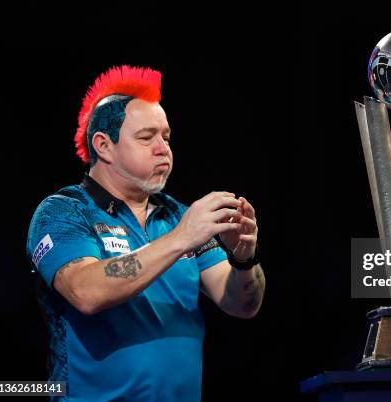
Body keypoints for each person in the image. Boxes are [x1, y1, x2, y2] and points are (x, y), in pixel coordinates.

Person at [26, 65, 265, 401]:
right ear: (104, 146)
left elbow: (242, 305)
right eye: (146, 137)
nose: (162, 148)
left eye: (165, 136)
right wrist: (181, 238)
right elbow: (86, 292)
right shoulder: (64, 211)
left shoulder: (179, 216)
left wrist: (243, 258)